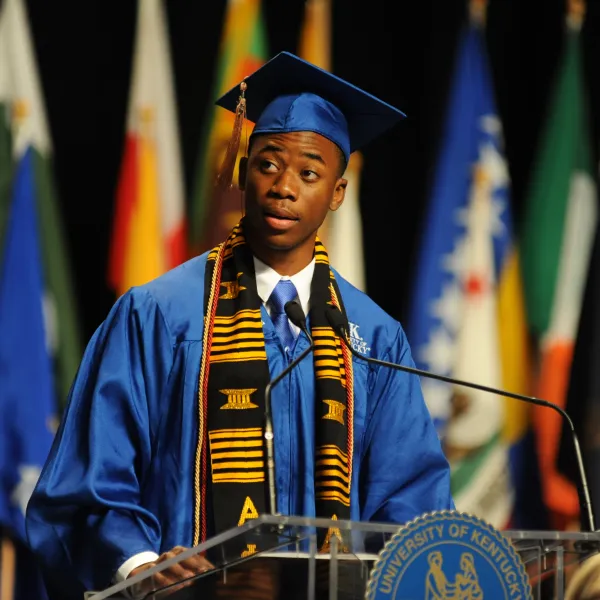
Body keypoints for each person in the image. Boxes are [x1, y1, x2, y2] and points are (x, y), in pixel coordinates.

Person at [25, 51, 454, 599]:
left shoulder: (373, 338)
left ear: (338, 194)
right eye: (268, 164)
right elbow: (88, 481)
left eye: (309, 173)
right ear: (243, 168)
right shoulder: (158, 314)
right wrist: (140, 564)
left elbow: (412, 499)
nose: (284, 186)